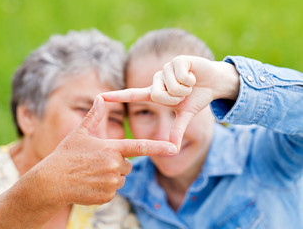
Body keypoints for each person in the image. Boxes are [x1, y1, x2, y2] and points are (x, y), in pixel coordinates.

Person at [0, 29, 177, 229]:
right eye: (84, 109)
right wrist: (49, 187)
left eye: (116, 118)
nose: (102, 133)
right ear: (28, 116)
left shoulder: (116, 206)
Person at [102, 28, 303, 228]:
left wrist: (230, 82)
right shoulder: (122, 188)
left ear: (215, 101)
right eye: (144, 113)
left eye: (181, 106)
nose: (164, 135)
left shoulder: (264, 155)